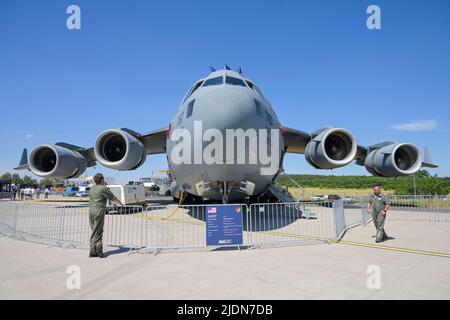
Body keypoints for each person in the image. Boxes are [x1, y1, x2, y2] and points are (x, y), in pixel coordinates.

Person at [89, 173, 124, 258]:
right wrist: (121, 204)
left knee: (95, 230)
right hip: (99, 210)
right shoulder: (103, 189)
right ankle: (98, 250)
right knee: (98, 231)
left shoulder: (92, 188)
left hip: (91, 211)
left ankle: (93, 251)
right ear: (101, 179)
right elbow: (113, 197)